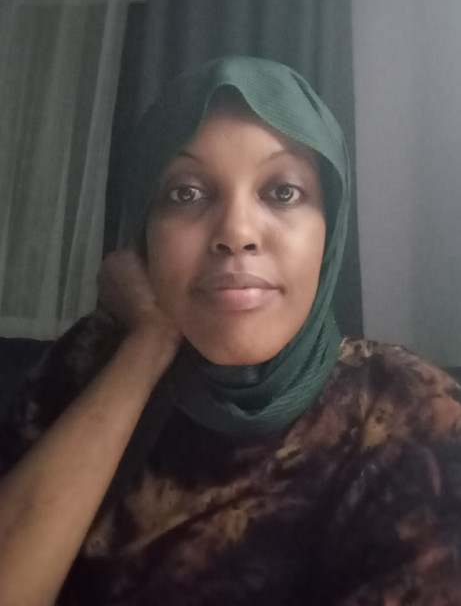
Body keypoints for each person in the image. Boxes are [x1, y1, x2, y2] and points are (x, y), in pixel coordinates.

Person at [0, 56, 461, 606]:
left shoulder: (411, 414)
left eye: (282, 192)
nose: (236, 233)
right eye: (187, 193)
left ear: (330, 230)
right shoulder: (88, 361)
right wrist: (147, 345)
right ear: (144, 231)